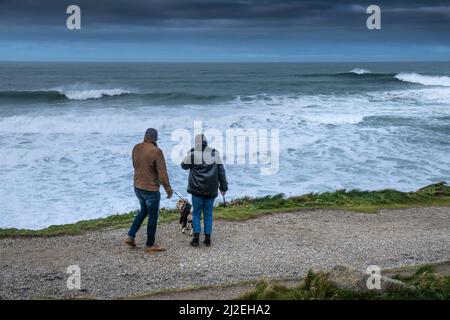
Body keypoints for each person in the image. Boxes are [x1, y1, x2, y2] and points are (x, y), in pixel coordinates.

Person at [125, 128, 173, 252]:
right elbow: (162, 173)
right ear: (155, 138)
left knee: (143, 210)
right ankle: (150, 245)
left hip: (137, 187)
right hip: (150, 190)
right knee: (153, 215)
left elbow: (135, 165)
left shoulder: (136, 147)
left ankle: (130, 236)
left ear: (145, 136)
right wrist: (168, 188)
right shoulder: (157, 151)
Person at [181, 134, 228, 247]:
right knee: (208, 214)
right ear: (206, 143)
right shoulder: (215, 155)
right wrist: (223, 188)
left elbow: (183, 166)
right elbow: (222, 173)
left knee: (196, 213)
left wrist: (190, 152)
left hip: (196, 190)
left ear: (196, 143)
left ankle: (196, 238)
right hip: (211, 191)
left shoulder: (192, 154)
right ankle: (207, 238)